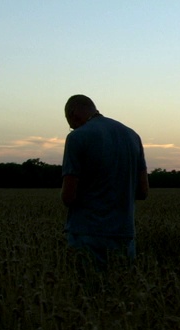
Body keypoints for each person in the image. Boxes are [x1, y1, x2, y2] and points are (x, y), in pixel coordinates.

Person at [61, 94, 148, 275]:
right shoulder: (132, 136)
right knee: (120, 293)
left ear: (73, 113)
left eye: (70, 122)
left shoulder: (77, 138)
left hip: (87, 235)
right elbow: (143, 192)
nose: (71, 127)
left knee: (87, 294)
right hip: (125, 235)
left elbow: (69, 197)